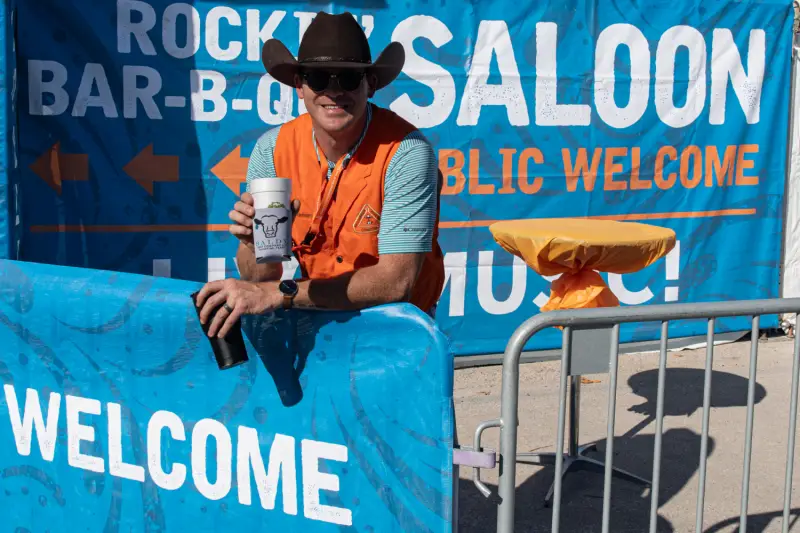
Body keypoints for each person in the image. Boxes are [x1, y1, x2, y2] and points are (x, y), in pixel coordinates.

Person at [196, 11, 445, 339]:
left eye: (348, 78)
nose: (333, 91)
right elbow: (263, 276)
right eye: (318, 77)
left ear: (370, 85)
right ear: (300, 86)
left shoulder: (406, 151)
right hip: (316, 317)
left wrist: (282, 293)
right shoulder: (272, 151)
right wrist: (255, 246)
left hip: (396, 328)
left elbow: (395, 282)